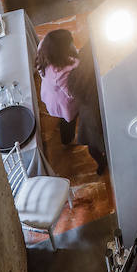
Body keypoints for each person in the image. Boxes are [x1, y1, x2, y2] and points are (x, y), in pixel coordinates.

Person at [65, 43, 107, 174]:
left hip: (88, 117)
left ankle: (101, 164)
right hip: (100, 116)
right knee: (106, 143)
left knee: (93, 147)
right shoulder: (101, 78)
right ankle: (106, 161)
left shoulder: (75, 76)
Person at [35, 28, 79, 146]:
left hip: (50, 92)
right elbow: (72, 92)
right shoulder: (62, 72)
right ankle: (68, 141)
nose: (72, 45)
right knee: (67, 122)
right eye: (69, 43)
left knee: (63, 119)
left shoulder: (44, 46)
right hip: (63, 102)